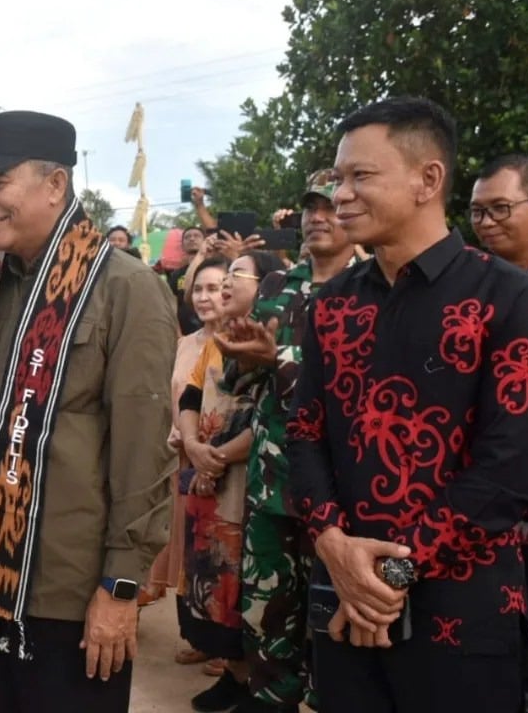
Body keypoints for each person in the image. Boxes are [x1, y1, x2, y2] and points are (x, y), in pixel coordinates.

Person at [288, 97, 528, 713]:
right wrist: (333, 546)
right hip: (344, 606)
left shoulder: (511, 299)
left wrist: (387, 575)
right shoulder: (331, 305)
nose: (341, 196)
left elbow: (515, 466)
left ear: (427, 179)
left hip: (461, 618)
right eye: (337, 178)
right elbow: (303, 433)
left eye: (360, 177)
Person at [0, 110, 176, 713]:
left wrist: (121, 586)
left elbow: (144, 451)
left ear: (55, 185)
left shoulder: (124, 289)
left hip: (70, 593)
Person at [214, 171, 358, 713]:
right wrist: (240, 356)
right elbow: (239, 384)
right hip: (272, 485)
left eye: (329, 206)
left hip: (339, 493)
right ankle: (270, 697)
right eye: (310, 207)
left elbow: (355, 388)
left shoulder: (371, 286)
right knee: (264, 610)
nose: (318, 216)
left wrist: (278, 361)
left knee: (331, 615)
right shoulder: (276, 287)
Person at [178, 251, 285, 712]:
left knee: (243, 585)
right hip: (207, 480)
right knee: (209, 582)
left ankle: (253, 683)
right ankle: (234, 676)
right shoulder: (212, 342)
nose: (225, 285)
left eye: (237, 275)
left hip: (246, 484)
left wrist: (214, 458)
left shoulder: (274, 345)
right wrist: (195, 450)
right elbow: (191, 398)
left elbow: (268, 416)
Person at [470, 153, 528, 702]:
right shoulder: (470, 287)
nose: (488, 223)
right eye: (477, 212)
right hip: (486, 515)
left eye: (501, 208)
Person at [140, 257, 229, 678]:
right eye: (199, 289)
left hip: (224, 463)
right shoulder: (185, 343)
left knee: (218, 552)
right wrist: (178, 433)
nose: (205, 297)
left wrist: (206, 448)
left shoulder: (241, 341)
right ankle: (198, 636)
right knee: (185, 551)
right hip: (181, 458)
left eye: (215, 288)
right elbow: (170, 395)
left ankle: (228, 646)